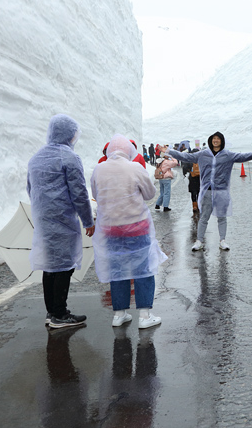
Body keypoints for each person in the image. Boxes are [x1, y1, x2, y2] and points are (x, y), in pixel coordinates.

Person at [90, 135, 167, 329]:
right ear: (128, 150)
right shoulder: (135, 167)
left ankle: (119, 313)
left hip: (110, 229)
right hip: (136, 227)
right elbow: (150, 194)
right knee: (143, 268)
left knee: (117, 269)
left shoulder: (99, 169)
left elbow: (95, 194)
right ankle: (144, 315)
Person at [27, 114, 95, 330]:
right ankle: (60, 314)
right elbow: (79, 193)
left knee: (50, 265)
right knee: (64, 266)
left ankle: (52, 312)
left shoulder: (36, 158)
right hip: (63, 218)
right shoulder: (69, 157)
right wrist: (87, 220)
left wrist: (42, 209)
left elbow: (30, 189)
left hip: (43, 218)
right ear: (69, 134)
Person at [167, 132, 252, 251]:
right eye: (214, 139)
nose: (215, 140)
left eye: (218, 139)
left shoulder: (228, 155)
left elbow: (244, 156)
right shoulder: (203, 154)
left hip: (221, 191)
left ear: (222, 141)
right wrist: (169, 151)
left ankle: (222, 241)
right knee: (204, 217)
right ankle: (199, 241)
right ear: (210, 141)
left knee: (222, 217)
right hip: (207, 190)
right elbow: (186, 157)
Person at [186, 148, 201, 215]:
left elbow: (185, 168)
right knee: (199, 192)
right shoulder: (201, 160)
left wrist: (188, 173)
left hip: (192, 179)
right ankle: (199, 205)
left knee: (193, 193)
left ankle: (194, 206)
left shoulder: (189, 160)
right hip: (200, 179)